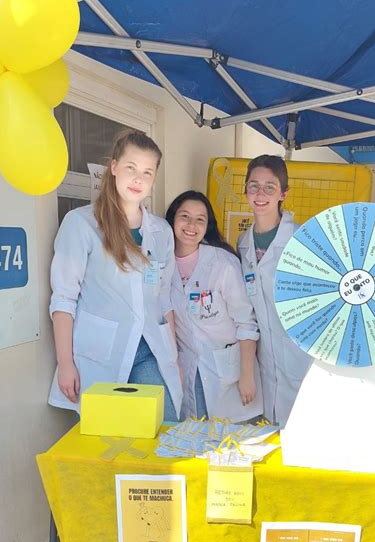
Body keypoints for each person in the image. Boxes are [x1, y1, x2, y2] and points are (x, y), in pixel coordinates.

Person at [48, 128, 182, 421]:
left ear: (154, 180)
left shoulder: (161, 232)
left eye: (147, 172)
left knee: (165, 431)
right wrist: (65, 363)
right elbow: (64, 299)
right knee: (109, 444)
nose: (138, 179)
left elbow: (165, 298)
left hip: (151, 351)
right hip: (102, 354)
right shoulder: (81, 224)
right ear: (114, 167)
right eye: (131, 167)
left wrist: (173, 359)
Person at [166, 190, 263, 422]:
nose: (191, 225)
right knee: (197, 445)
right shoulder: (161, 264)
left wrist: (247, 375)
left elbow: (246, 322)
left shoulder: (222, 263)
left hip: (230, 369)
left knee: (236, 445)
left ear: (207, 225)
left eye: (200, 219)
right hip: (189, 368)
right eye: (185, 217)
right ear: (172, 220)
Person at [237, 155, 311, 427]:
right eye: (253, 186)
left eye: (270, 187)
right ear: (245, 190)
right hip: (265, 358)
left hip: (303, 354)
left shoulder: (302, 239)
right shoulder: (243, 243)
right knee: (270, 433)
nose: (260, 194)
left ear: (283, 193)